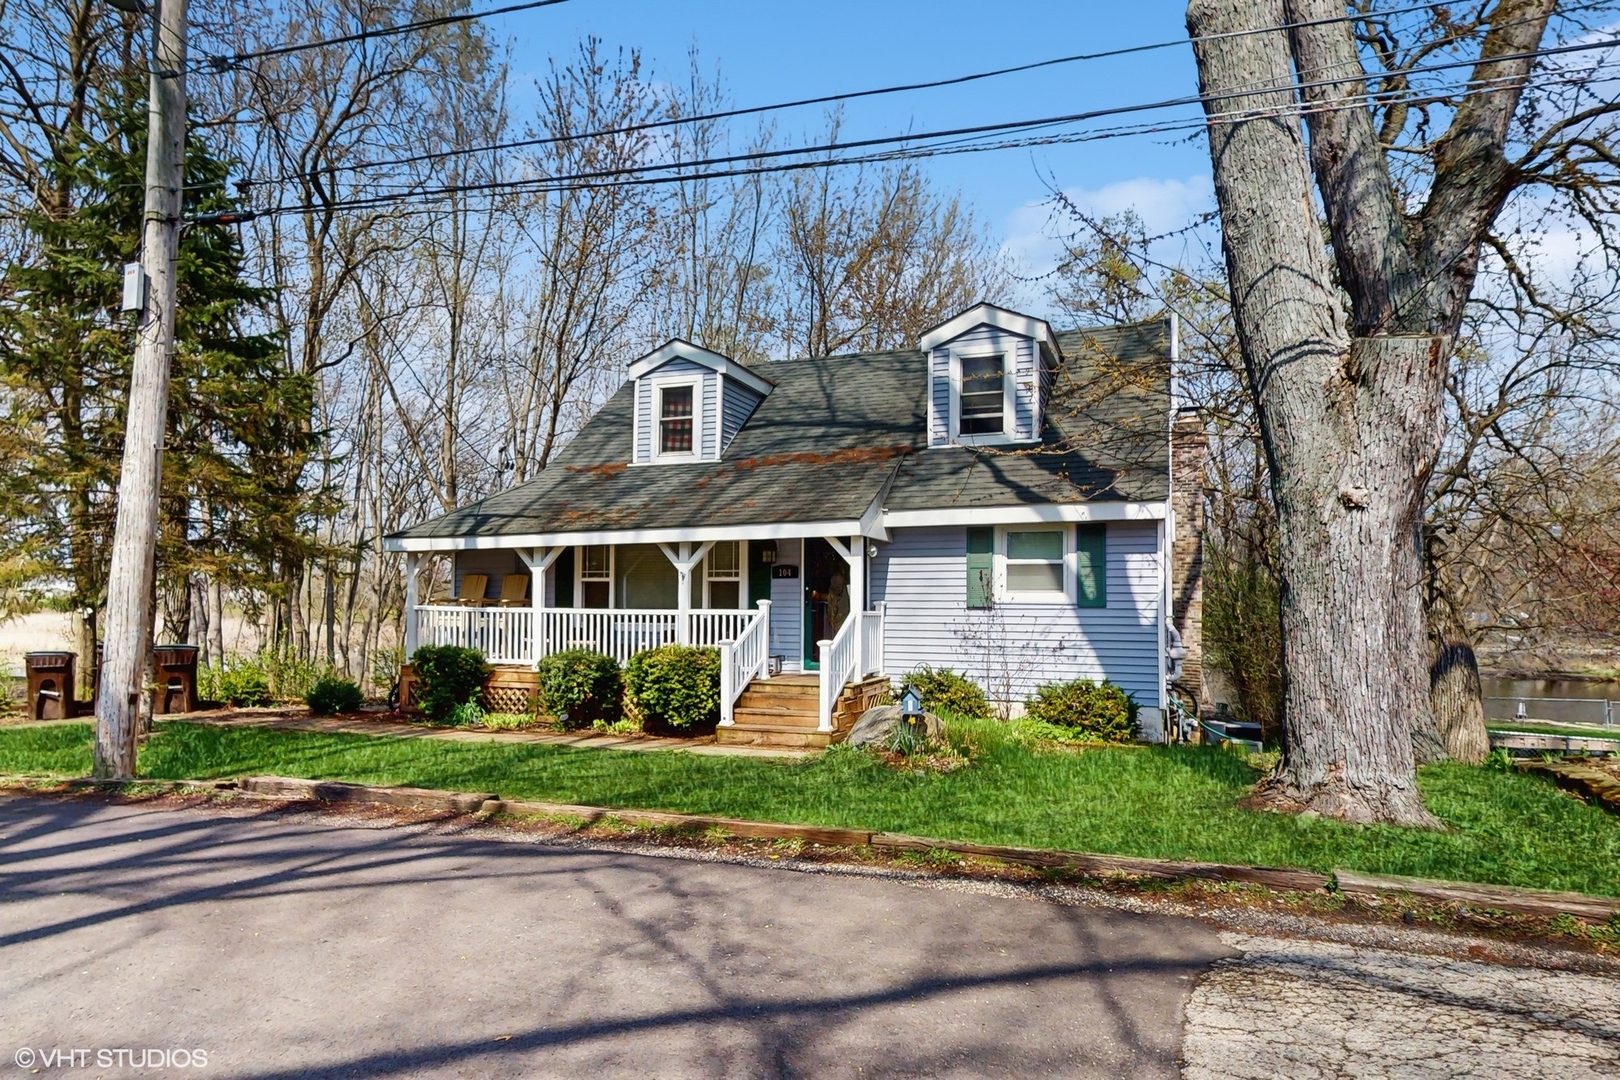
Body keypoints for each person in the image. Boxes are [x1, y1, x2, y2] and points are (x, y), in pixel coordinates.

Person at [826, 571, 850, 635]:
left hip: (840, 624)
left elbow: (843, 612)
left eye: (838, 586)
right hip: (832, 624)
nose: (836, 589)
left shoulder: (843, 600)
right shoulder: (831, 597)